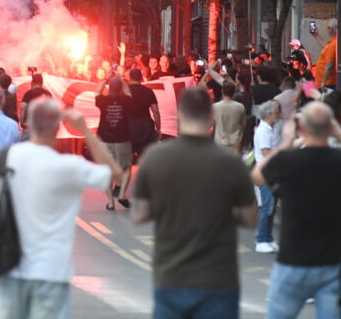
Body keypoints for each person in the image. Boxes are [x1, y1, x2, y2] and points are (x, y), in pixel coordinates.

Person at [0, 100, 120, 319]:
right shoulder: (68, 166)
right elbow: (112, 173)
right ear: (58, 129)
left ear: (27, 123)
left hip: (9, 266)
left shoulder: (6, 158)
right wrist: (85, 130)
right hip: (51, 270)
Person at [132, 87, 258, 318]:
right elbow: (250, 218)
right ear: (211, 117)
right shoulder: (231, 163)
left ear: (179, 114)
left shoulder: (155, 157)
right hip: (219, 279)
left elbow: (139, 213)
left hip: (171, 277)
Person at [252, 100, 341, 317]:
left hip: (293, 259)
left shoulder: (288, 159)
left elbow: (257, 175)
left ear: (301, 127)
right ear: (331, 127)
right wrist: (337, 133)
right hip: (333, 262)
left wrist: (285, 142)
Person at [94, 76, 133, 210]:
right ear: (120, 88)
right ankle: (122, 194)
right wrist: (122, 80)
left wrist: (104, 79)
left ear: (109, 87)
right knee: (126, 167)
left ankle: (110, 202)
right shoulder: (125, 100)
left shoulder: (103, 100)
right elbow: (128, 92)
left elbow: (97, 92)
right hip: (122, 139)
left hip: (105, 139)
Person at [251, 100, 281, 253]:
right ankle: (262, 238)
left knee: (270, 206)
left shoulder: (270, 128)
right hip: (265, 172)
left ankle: (267, 238)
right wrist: (282, 152)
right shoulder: (264, 130)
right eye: (276, 112)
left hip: (270, 171)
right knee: (267, 205)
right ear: (269, 114)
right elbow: (265, 151)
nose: (279, 115)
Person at [125, 68, 160, 156]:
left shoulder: (123, 92)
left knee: (127, 160)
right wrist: (158, 128)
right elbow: (155, 111)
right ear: (141, 78)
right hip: (146, 128)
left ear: (129, 78)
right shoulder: (148, 91)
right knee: (146, 157)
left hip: (127, 128)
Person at [212, 82, 247, 152]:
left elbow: (213, 123)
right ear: (234, 91)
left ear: (222, 91)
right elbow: (244, 125)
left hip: (220, 142)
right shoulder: (240, 107)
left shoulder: (215, 107)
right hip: (236, 142)